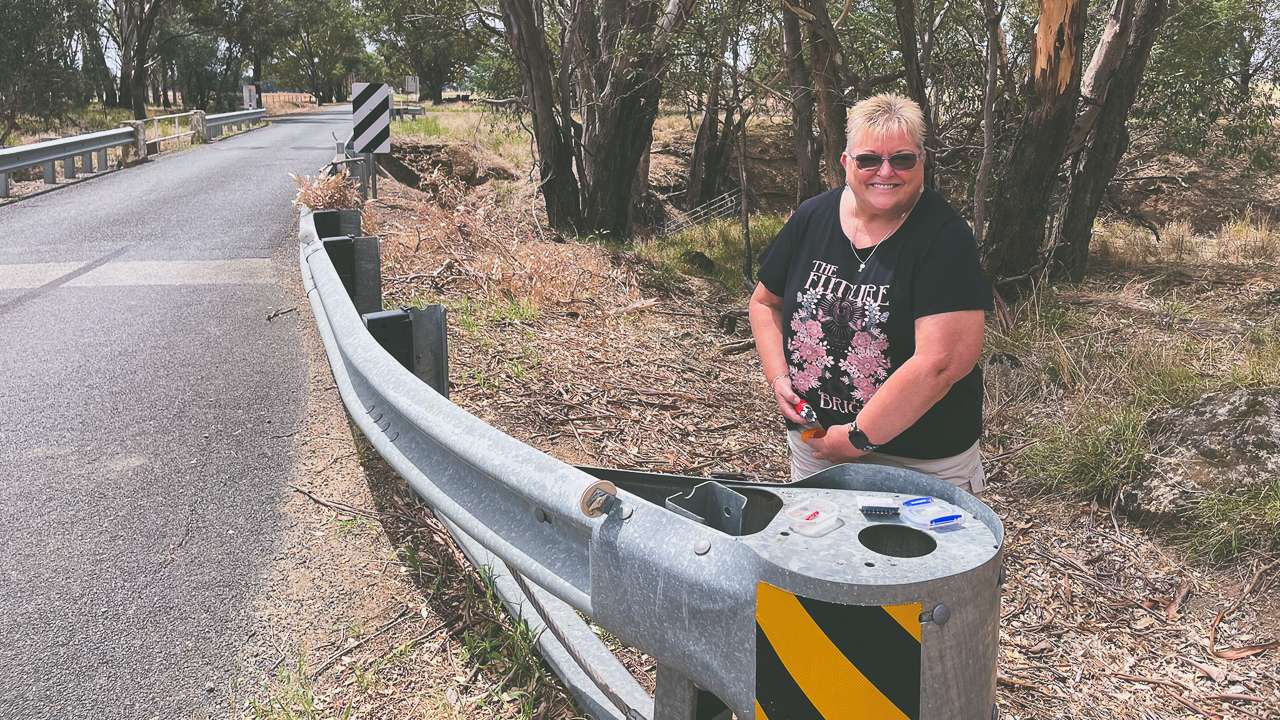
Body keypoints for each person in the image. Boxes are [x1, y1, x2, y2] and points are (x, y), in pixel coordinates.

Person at [748, 93, 993, 491]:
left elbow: (943, 363)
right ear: (846, 162)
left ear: (922, 161)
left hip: (919, 460)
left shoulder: (944, 237)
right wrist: (779, 378)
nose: (886, 171)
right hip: (818, 443)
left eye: (902, 159)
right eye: (868, 159)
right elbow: (764, 302)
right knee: (819, 551)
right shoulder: (813, 217)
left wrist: (859, 437)